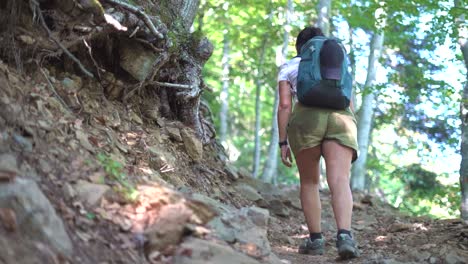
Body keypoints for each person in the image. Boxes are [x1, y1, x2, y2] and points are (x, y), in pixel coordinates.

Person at [277, 26, 359, 259]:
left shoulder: (290, 66)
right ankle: (345, 236)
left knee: (310, 182)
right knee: (340, 180)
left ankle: (316, 240)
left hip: (307, 120)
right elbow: (349, 102)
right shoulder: (339, 62)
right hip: (341, 118)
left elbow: (285, 105)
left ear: (300, 47)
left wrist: (283, 142)